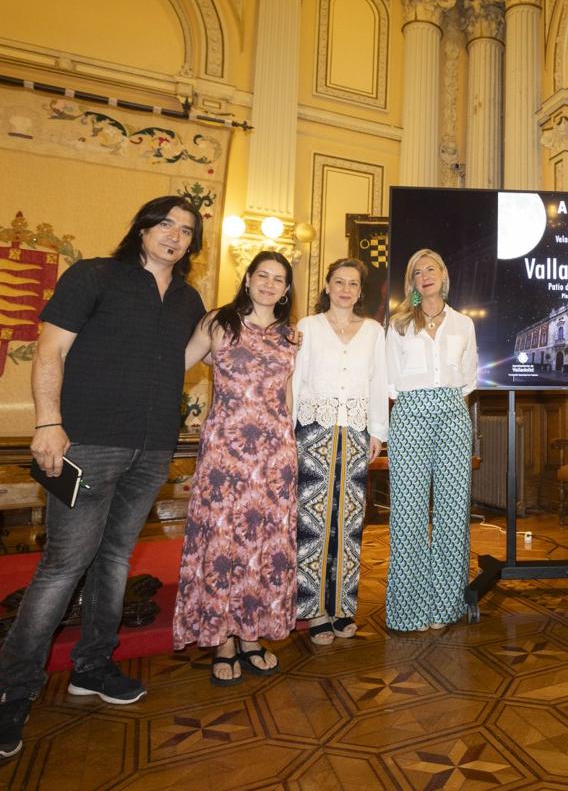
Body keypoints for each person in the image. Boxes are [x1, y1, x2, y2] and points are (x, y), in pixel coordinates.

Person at [0, 196, 206, 758]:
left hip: (153, 450)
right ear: (141, 228)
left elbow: (175, 363)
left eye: (186, 231)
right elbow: (50, 351)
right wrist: (48, 422)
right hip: (87, 443)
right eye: (165, 224)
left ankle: (92, 666)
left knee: (115, 560)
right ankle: (10, 691)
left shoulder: (188, 299)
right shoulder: (94, 275)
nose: (175, 235)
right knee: (64, 564)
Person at [172, 251, 299, 686]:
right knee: (223, 542)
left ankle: (251, 634)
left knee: (263, 544)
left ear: (286, 289)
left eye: (278, 278)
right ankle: (222, 638)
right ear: (247, 280)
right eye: (261, 275)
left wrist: (291, 452)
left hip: (274, 458)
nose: (268, 283)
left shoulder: (290, 337)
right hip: (226, 453)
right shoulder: (218, 323)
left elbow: (289, 399)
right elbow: (177, 366)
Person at [292, 258, 387, 646]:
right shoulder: (308, 327)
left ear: (360, 291)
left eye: (353, 283)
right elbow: (295, 380)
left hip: (357, 431)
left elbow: (378, 381)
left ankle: (342, 607)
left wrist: (378, 430)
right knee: (313, 522)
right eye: (339, 282)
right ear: (327, 286)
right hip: (313, 429)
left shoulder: (374, 331)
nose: (346, 289)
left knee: (348, 523)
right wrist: (289, 428)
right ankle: (314, 611)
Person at [385, 249, 477, 632]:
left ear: (443, 274)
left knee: (453, 513)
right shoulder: (399, 323)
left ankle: (445, 605)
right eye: (416, 270)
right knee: (408, 513)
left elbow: (469, 377)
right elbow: (389, 378)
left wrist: (447, 404)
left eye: (431, 268)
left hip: (454, 415)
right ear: (412, 282)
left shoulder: (463, 324)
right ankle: (409, 610)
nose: (424, 275)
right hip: (409, 414)